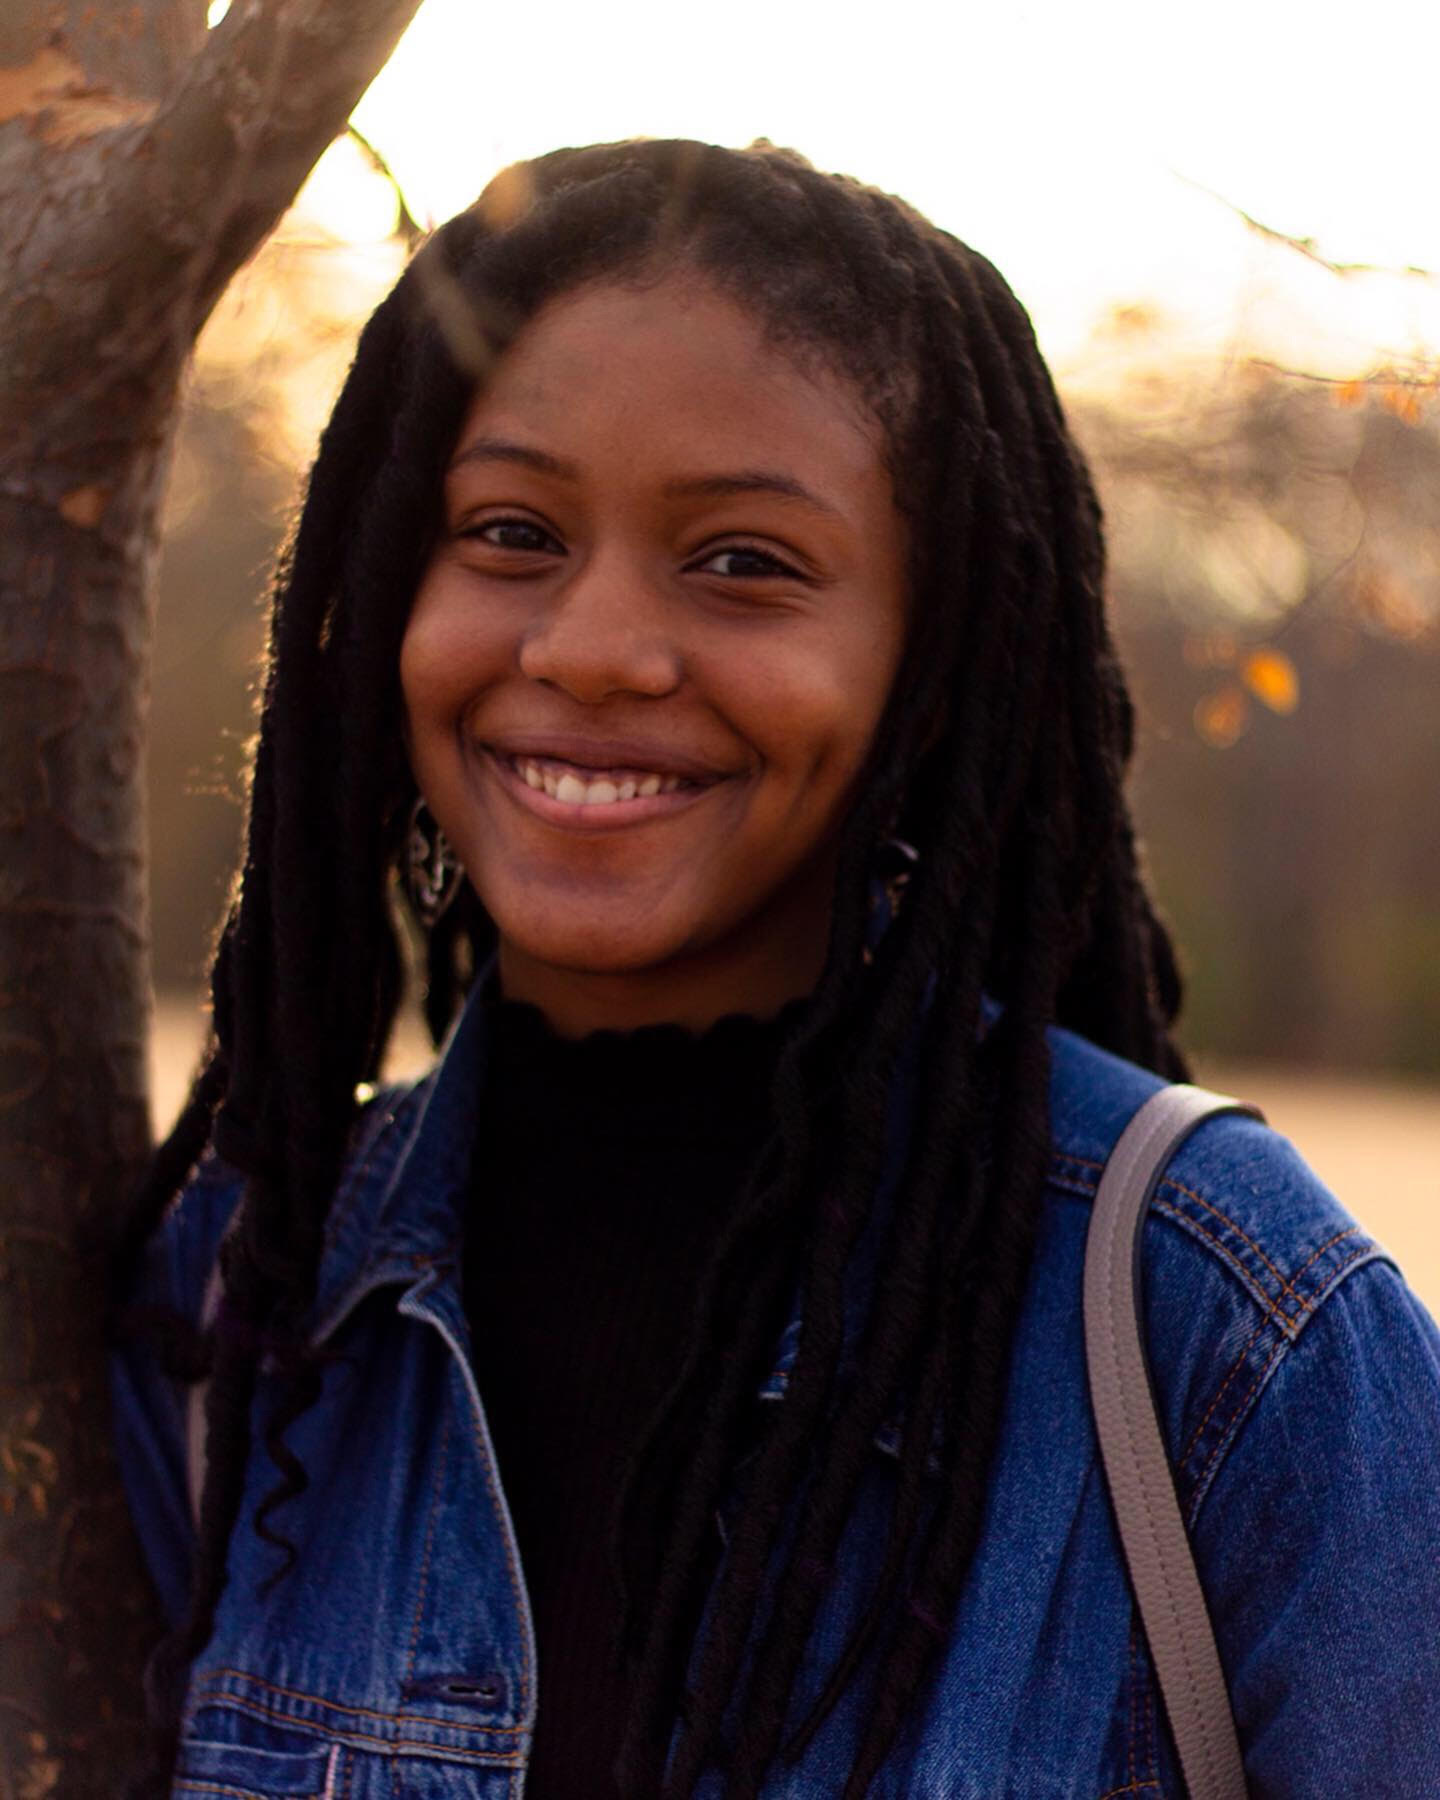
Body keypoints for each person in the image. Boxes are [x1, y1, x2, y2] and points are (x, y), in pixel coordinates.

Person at [110, 139, 1440, 1798]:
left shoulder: (1226, 1330)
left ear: (931, 677)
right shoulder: (236, 1307)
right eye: (511, 531)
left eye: (743, 561)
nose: (592, 647)